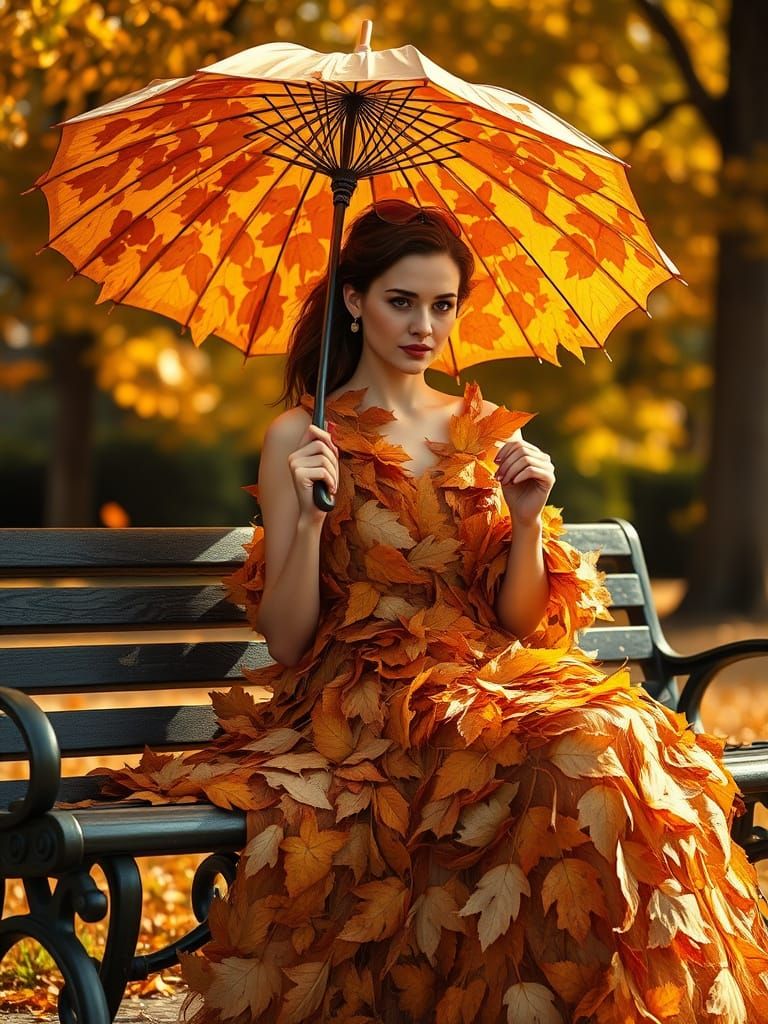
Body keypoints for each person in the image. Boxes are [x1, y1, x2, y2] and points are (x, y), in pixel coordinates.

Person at [99, 203, 768, 1024]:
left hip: (488, 682)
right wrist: (309, 519)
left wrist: (526, 518)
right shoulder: (300, 438)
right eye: (402, 301)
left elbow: (520, 622)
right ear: (354, 300)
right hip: (366, 700)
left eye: (443, 305)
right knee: (582, 750)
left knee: (626, 741)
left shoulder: (480, 432)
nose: (426, 326)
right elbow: (289, 636)